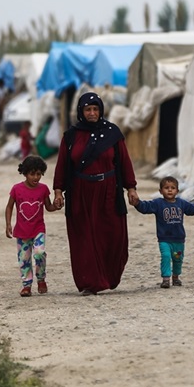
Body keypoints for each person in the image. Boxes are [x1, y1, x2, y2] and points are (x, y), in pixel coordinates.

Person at [53, 92, 139, 295]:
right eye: (87, 109)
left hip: (108, 191)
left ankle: (109, 276)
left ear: (101, 110)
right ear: (81, 111)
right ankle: (91, 282)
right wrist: (58, 191)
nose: (92, 113)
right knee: (84, 238)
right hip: (81, 193)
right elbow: (62, 165)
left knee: (113, 235)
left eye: (95, 109)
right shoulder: (71, 136)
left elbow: (124, 162)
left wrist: (131, 188)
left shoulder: (112, 133)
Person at [131, 176, 194, 288]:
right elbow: (145, 207)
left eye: (172, 188)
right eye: (166, 187)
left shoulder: (181, 203)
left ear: (177, 191)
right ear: (160, 191)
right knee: (166, 256)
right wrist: (137, 203)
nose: (169, 190)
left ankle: (176, 277)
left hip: (179, 239)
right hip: (164, 239)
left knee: (178, 259)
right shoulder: (158, 203)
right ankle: (166, 279)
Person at [5, 155, 57, 297]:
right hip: (22, 232)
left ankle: (41, 279)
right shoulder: (17, 189)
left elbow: (48, 207)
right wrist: (8, 224)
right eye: (32, 174)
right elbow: (9, 207)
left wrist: (56, 206)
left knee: (40, 253)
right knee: (24, 259)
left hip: (38, 229)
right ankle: (26, 285)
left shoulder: (43, 189)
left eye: (39, 174)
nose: (35, 177)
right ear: (25, 173)